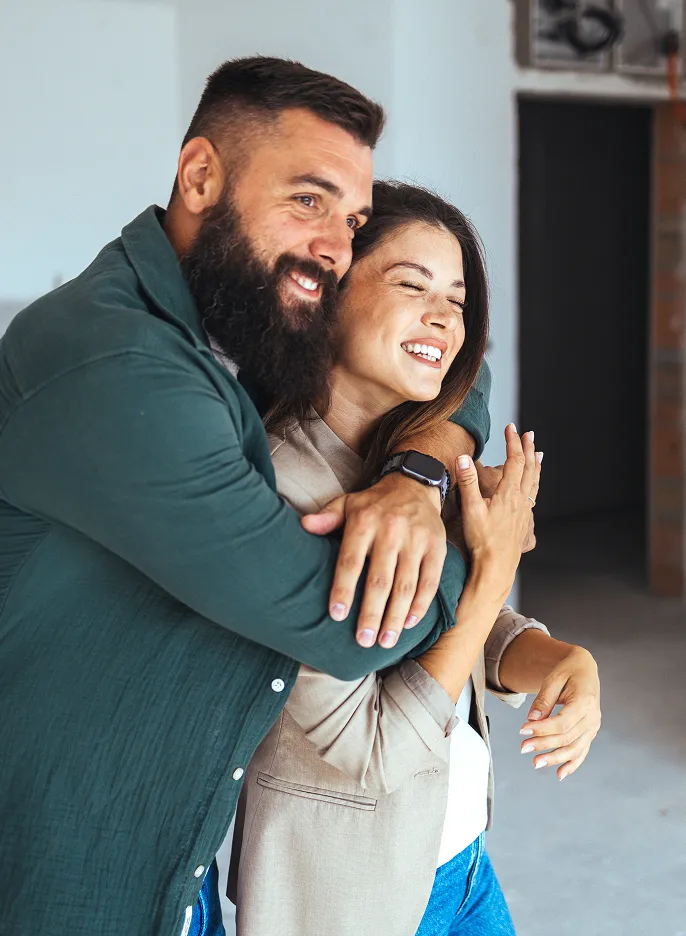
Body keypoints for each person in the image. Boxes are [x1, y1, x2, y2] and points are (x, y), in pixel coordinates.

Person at [0, 59, 493, 935]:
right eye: (308, 201)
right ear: (200, 176)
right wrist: (483, 537)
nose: (334, 247)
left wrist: (416, 479)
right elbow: (341, 621)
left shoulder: (241, 316)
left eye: (352, 221)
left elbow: (458, 368)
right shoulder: (121, 363)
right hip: (72, 856)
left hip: (178, 836)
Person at [220, 183, 602, 936]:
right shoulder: (282, 492)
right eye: (411, 284)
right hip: (356, 905)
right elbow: (370, 749)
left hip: (459, 863)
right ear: (323, 301)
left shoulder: (415, 464)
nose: (444, 318)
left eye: (457, 299)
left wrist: (559, 660)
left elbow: (447, 617)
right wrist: (491, 571)